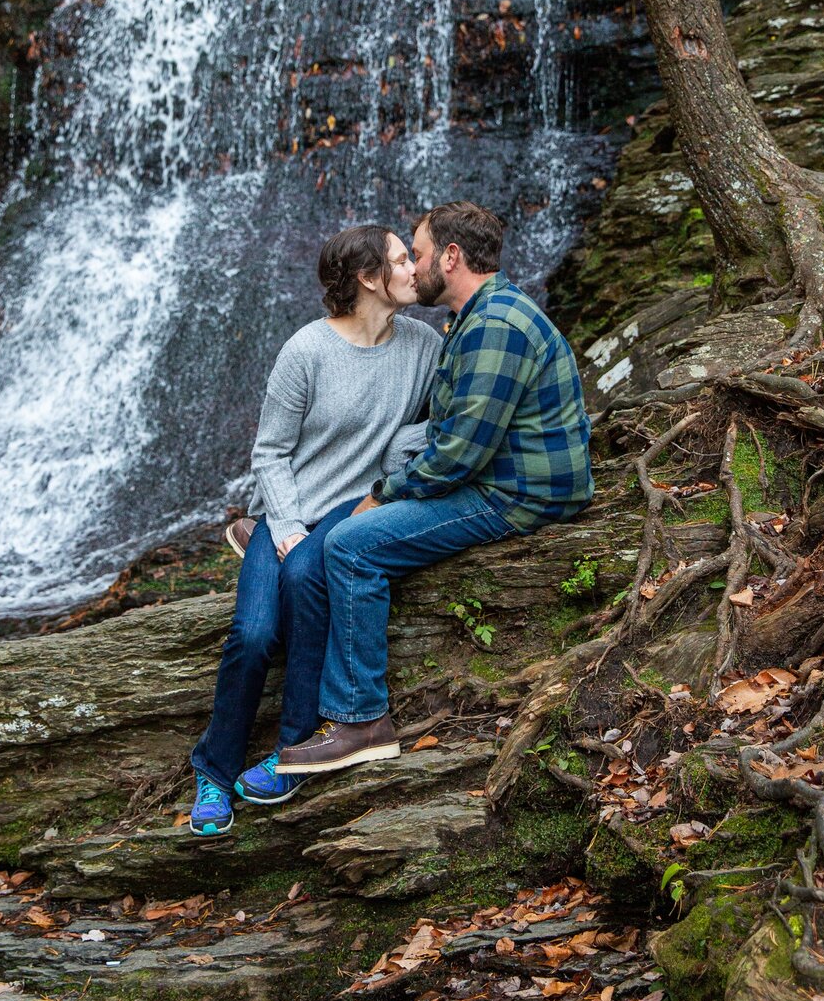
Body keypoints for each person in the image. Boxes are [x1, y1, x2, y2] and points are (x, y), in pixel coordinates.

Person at [278, 200, 593, 777]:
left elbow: (456, 456)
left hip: (515, 493)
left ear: (451, 257)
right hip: (505, 476)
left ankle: (361, 721)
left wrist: (380, 497)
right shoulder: (477, 318)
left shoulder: (495, 326)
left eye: (417, 254)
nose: (413, 268)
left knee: (351, 545)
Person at [188, 224, 441, 835]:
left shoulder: (425, 346)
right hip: (289, 507)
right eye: (402, 260)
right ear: (367, 278)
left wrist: (399, 455)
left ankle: (292, 752)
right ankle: (214, 772)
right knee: (251, 636)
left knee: (306, 581)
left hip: (355, 511)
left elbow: (441, 425)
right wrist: (283, 527)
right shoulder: (305, 351)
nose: (416, 268)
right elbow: (270, 453)